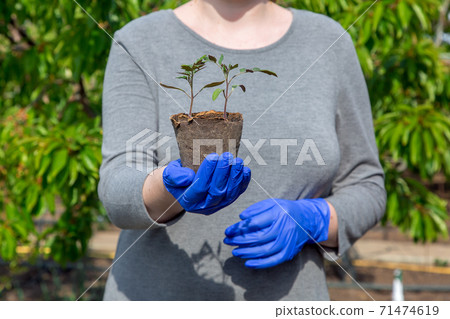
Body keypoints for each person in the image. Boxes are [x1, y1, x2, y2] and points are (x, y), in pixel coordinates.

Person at [99, 0, 386, 300]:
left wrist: (314, 219)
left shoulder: (329, 42)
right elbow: (117, 190)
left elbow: (366, 184)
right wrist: (169, 189)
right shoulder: (138, 41)